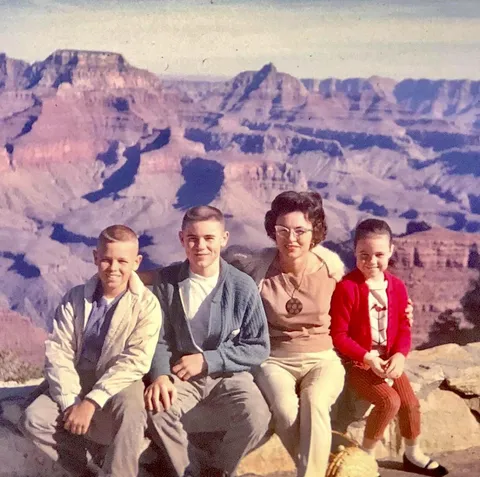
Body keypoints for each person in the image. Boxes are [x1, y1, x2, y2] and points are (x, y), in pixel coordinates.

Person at [19, 225, 162, 477]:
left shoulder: (146, 305)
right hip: (76, 379)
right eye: (106, 260)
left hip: (118, 381)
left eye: (122, 261)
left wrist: (91, 402)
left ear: (137, 262)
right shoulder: (75, 298)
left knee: (131, 410)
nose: (113, 268)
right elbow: (59, 351)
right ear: (96, 257)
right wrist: (70, 402)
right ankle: (85, 471)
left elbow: (135, 361)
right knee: (34, 419)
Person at [140, 205, 271, 477]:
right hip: (181, 375)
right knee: (158, 411)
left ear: (223, 239)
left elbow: (258, 346)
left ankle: (219, 470)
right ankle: (189, 471)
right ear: (181, 239)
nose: (201, 246)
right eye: (193, 238)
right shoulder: (167, 283)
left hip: (228, 374)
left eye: (209, 238)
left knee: (257, 417)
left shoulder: (241, 286)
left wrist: (209, 360)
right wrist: (161, 375)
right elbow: (158, 337)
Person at [224, 191, 346, 477]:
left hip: (322, 359)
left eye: (300, 231)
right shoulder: (258, 270)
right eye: (283, 230)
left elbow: (361, 300)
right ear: (273, 231)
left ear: (314, 231)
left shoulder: (331, 270)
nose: (291, 238)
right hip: (273, 359)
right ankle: (327, 469)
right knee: (284, 408)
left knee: (315, 398)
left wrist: (402, 311)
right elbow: (207, 270)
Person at [330, 218, 448, 476]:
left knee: (410, 404)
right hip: (359, 362)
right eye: (364, 254)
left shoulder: (396, 287)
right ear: (354, 251)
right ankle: (366, 456)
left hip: (388, 360)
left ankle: (412, 452)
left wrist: (399, 355)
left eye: (379, 254)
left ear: (391, 251)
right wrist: (366, 357)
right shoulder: (347, 288)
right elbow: (338, 335)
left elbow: (404, 327)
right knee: (388, 401)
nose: (371, 261)